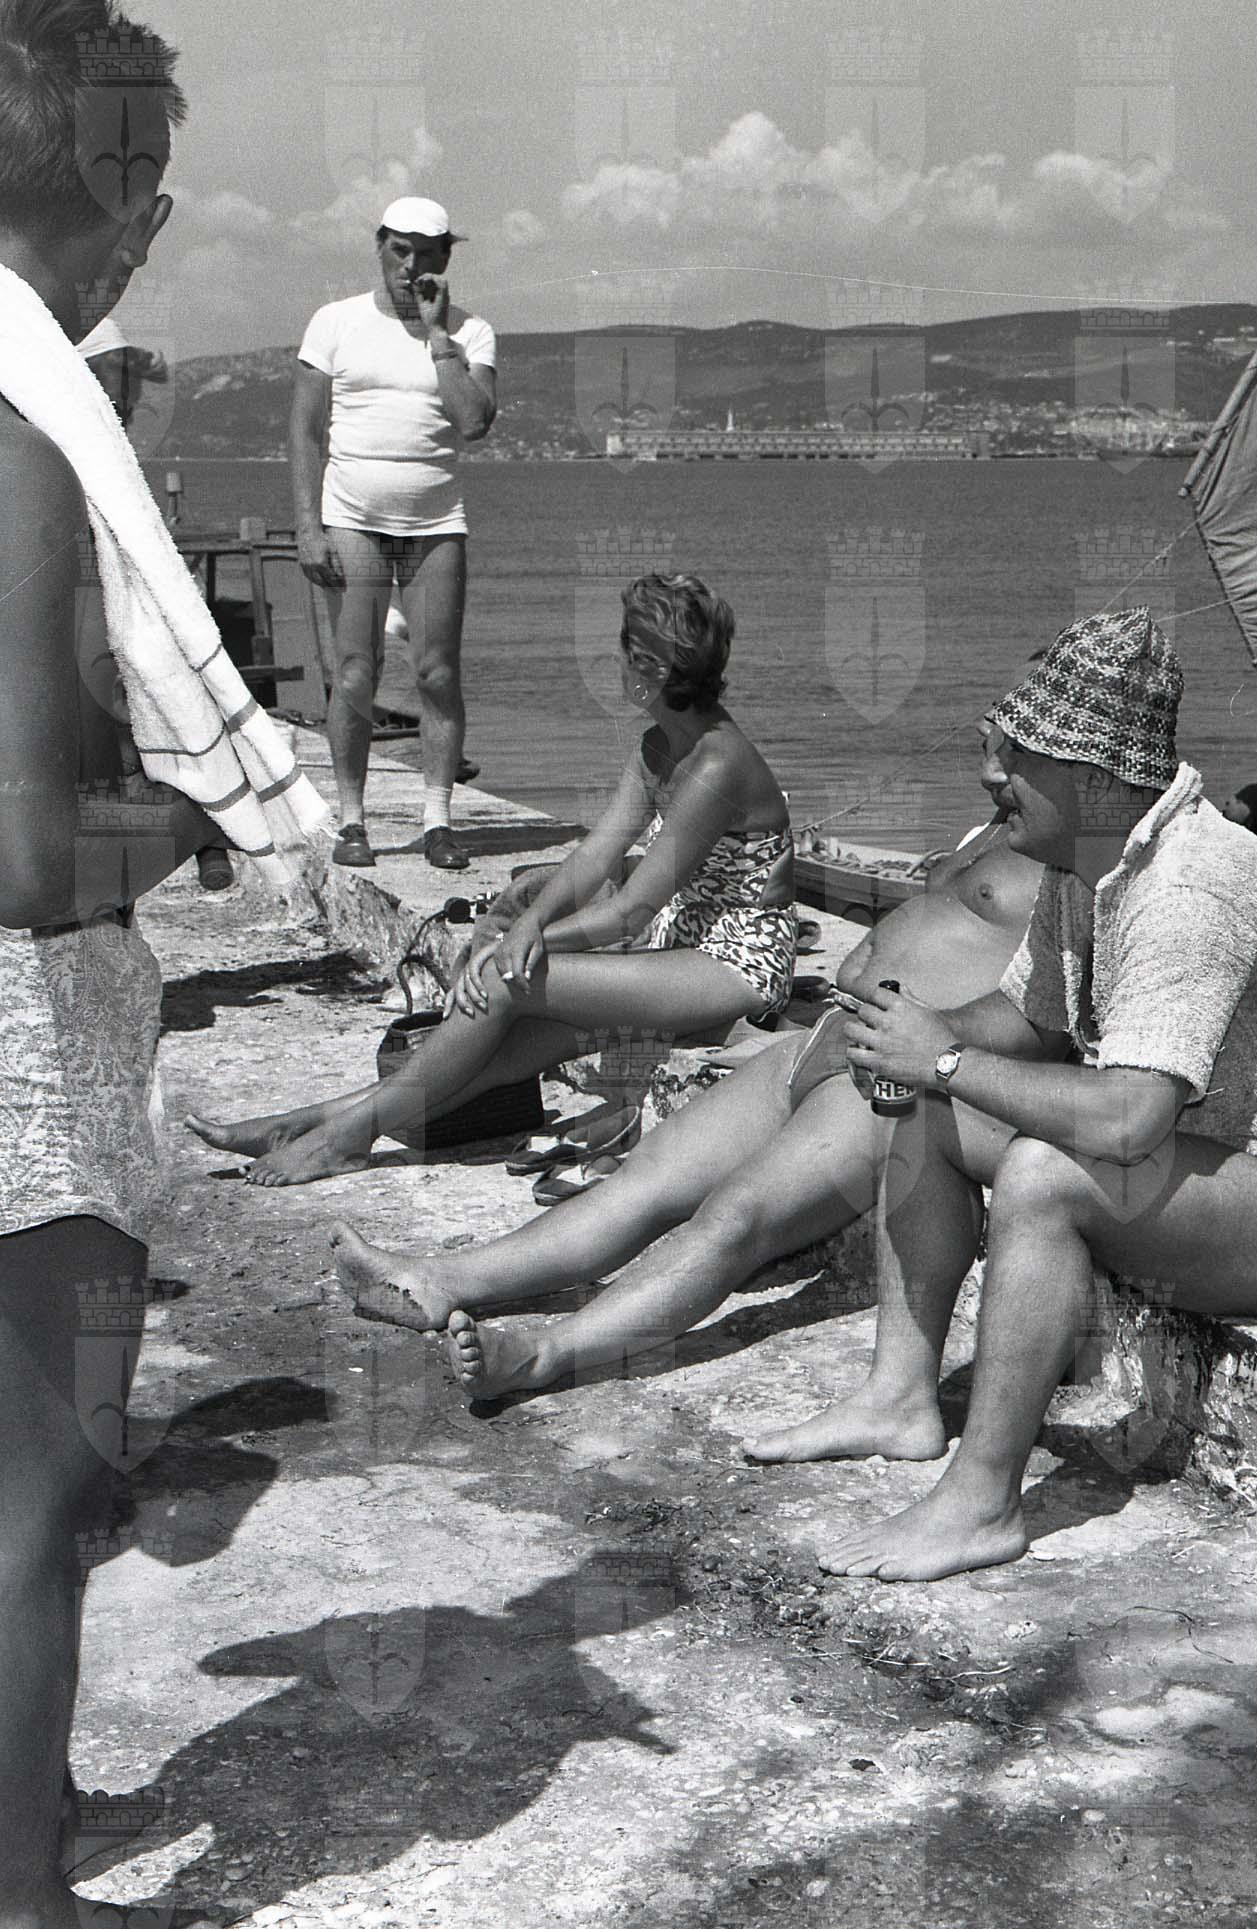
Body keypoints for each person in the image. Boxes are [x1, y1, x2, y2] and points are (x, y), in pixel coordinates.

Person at [756, 607, 1257, 1582]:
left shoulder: (1190, 887)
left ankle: (982, 1504)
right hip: (1205, 1173)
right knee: (920, 1103)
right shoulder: (1088, 860)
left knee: (1044, 1170)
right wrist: (912, 1033)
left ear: (1095, 775)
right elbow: (1031, 1023)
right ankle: (898, 1397)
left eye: (1016, 755)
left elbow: (1130, 1119)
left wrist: (945, 1058)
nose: (990, 773)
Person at [0, 6, 326, 1922]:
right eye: (146, 184)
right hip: (24, 1040)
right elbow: (22, 850)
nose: (157, 227)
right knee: (42, 1484)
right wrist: (207, 814)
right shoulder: (29, 448)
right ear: (103, 198)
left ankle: (25, 1805)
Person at [328, 761, 1044, 1351]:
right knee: (639, 1184)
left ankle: (543, 1355)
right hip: (828, 1034)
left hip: (889, 1073)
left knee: (733, 1221)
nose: (989, 763)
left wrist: (928, 1040)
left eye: (1013, 747)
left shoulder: (1074, 871)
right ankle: (440, 1280)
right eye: (993, 736)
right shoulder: (999, 829)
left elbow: (1049, 1019)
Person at [186, 572, 799, 1185]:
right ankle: (311, 1122)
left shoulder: (715, 764)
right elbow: (594, 858)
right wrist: (529, 921)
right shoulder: (657, 747)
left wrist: (521, 942)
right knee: (512, 1041)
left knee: (505, 982)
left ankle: (343, 1140)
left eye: (625, 649)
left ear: (649, 668)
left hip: (738, 966)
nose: (615, 663)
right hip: (681, 949)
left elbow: (630, 911)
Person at [291, 193, 496, 873]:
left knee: (437, 672)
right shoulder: (335, 322)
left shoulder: (472, 332)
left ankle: (437, 818)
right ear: (380, 247)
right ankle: (353, 819)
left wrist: (438, 339)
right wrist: (307, 526)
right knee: (356, 672)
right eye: (400, 250)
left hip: (436, 522)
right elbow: (304, 432)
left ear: (446, 259)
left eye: (427, 254)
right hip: (352, 517)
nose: (411, 266)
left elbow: (473, 422)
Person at [79, 315, 232, 891]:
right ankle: (202, 828)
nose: (128, 399)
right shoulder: (70, 441)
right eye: (117, 379)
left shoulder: (103, 441)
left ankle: (196, 831)